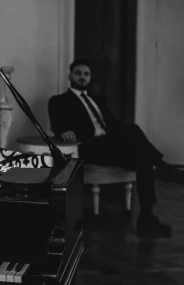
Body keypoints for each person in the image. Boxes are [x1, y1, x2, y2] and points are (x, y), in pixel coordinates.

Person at [48, 59, 183, 238]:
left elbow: (116, 126)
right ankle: (163, 168)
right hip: (89, 148)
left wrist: (124, 137)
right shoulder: (59, 100)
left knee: (142, 159)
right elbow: (56, 124)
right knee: (133, 129)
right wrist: (63, 130)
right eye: (78, 73)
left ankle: (146, 218)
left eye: (86, 74)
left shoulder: (97, 100)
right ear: (70, 76)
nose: (82, 77)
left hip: (110, 146)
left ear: (89, 78)